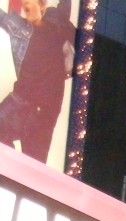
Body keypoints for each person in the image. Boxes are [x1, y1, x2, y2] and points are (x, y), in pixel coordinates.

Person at [0, 0, 75, 162]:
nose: (25, 9)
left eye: (29, 4)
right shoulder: (55, 33)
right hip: (36, 108)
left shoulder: (43, 29)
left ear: (42, 7)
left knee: (33, 167)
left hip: (34, 108)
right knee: (33, 166)